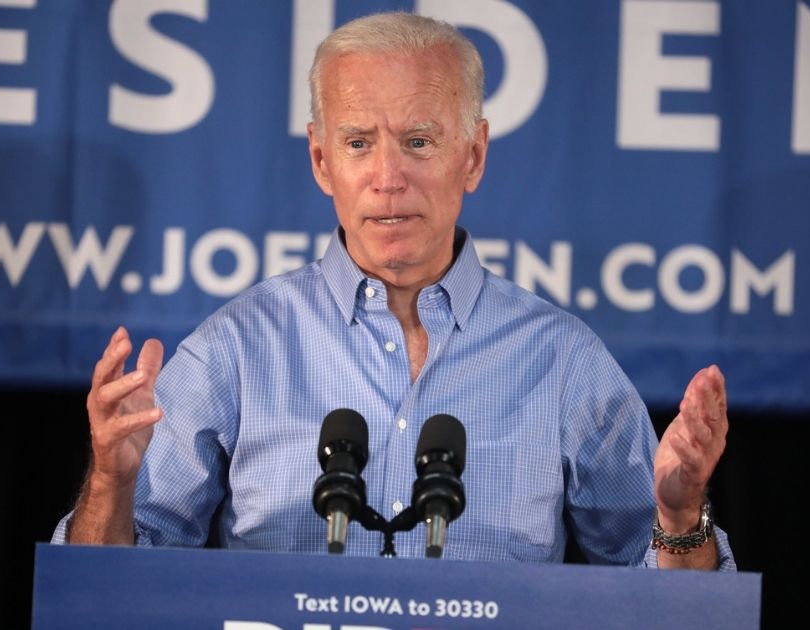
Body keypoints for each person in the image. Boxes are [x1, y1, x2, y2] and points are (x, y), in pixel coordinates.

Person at [54, 11, 734, 571]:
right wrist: (112, 485)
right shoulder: (235, 350)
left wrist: (678, 517)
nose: (387, 177)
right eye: (357, 143)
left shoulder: (562, 362)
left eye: (417, 141)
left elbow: (676, 614)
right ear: (321, 160)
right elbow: (104, 595)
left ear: (473, 156)